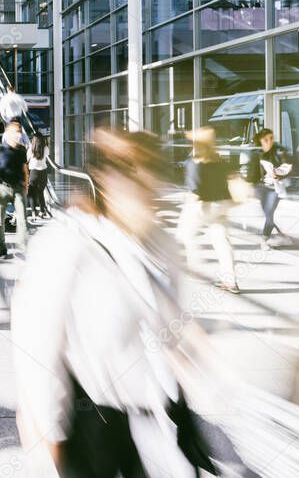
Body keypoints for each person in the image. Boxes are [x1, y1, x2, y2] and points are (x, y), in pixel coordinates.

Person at [12, 130, 206, 478]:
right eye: (137, 178)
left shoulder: (163, 244)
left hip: (162, 421)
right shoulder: (65, 245)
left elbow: (172, 325)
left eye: (155, 177)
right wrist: (48, 434)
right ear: (106, 181)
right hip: (96, 430)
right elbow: (38, 350)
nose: (152, 192)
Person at [177, 126, 238, 293]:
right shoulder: (220, 160)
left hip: (203, 207)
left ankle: (195, 271)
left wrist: (186, 209)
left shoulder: (194, 163)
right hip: (223, 204)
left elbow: (195, 191)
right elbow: (233, 178)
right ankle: (230, 280)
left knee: (186, 235)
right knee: (223, 243)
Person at [0, 121, 29, 258]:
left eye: (19, 132)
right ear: (8, 134)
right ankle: (2, 248)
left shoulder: (22, 150)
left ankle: (22, 248)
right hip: (1, 189)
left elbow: (25, 170)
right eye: (15, 132)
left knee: (22, 220)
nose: (18, 135)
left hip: (18, 189)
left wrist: (26, 187)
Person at [245, 128, 292, 250]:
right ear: (260, 141)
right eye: (266, 140)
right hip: (261, 188)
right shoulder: (256, 153)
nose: (269, 141)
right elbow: (252, 173)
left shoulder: (279, 151)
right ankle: (280, 234)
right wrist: (249, 186)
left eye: (271, 138)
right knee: (268, 215)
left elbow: (287, 165)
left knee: (269, 214)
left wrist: (278, 173)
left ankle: (264, 240)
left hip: (274, 188)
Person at [27, 134, 50, 220]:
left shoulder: (31, 149)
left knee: (31, 193)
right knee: (41, 192)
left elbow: (27, 158)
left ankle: (33, 213)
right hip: (43, 173)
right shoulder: (46, 148)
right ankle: (42, 211)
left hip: (34, 173)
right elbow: (47, 154)